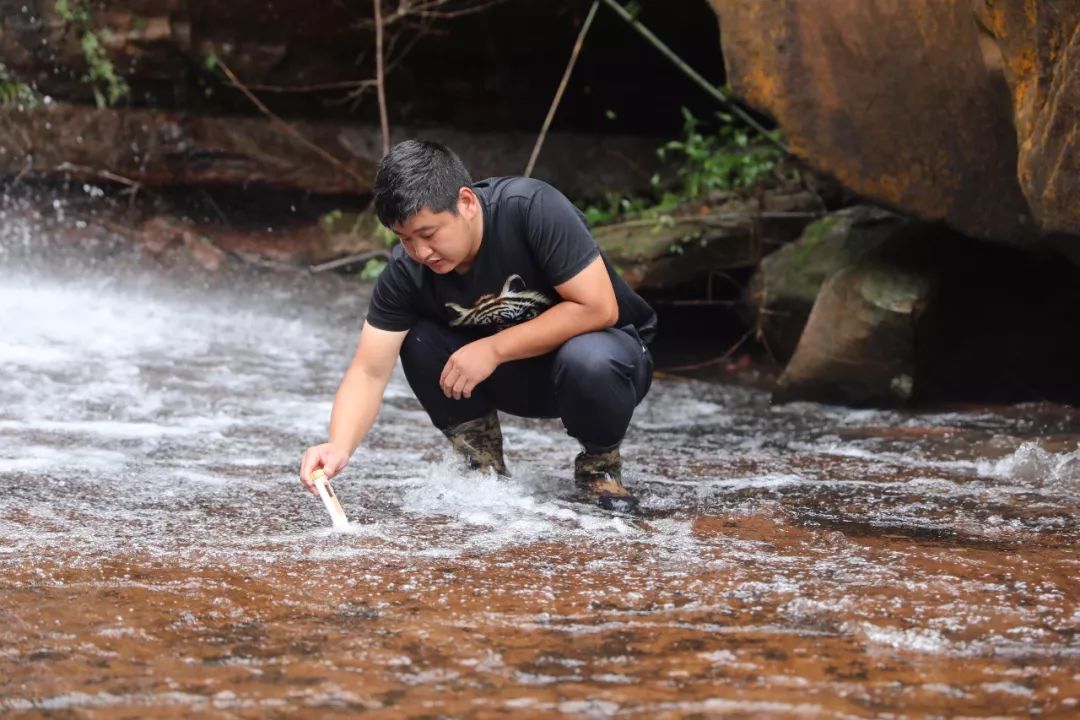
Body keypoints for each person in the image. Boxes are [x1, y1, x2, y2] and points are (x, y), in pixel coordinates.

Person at [298, 139, 657, 511]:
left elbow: (598, 308)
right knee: (418, 338)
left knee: (589, 357)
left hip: (606, 369)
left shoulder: (531, 209)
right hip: (511, 379)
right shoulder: (406, 272)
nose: (421, 252)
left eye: (428, 234)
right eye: (405, 239)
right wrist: (339, 444)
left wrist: (493, 349)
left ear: (466, 203)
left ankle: (600, 468)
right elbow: (369, 370)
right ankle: (482, 467)